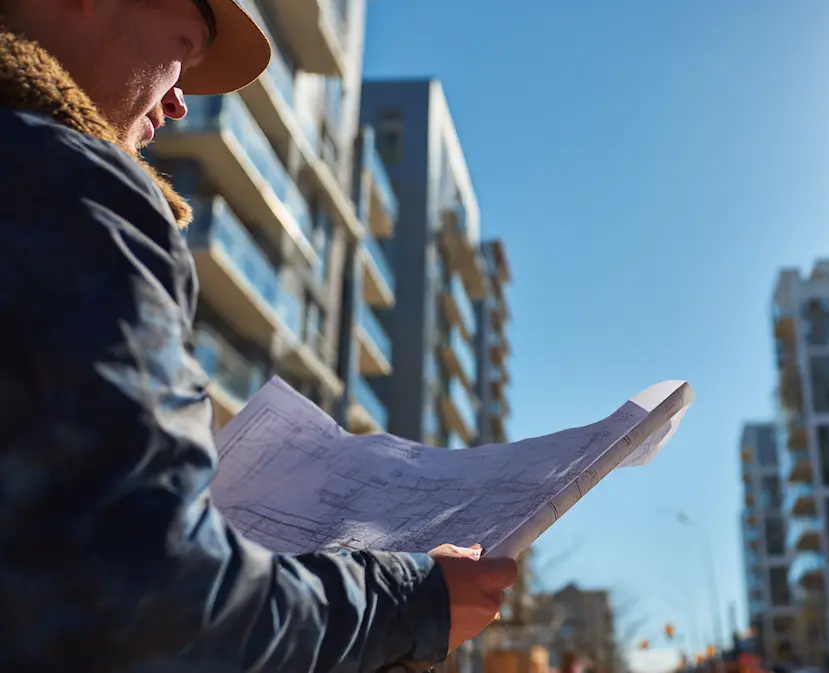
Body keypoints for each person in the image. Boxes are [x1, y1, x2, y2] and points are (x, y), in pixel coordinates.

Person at [0, 0, 517, 670]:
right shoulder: (77, 194)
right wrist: (414, 599)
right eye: (185, 45)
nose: (179, 101)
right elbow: (157, 607)